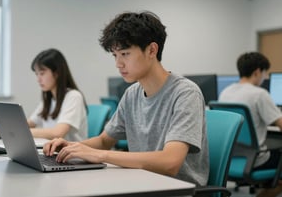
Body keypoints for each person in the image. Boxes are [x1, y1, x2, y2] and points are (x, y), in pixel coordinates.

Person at [43, 11, 209, 186]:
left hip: (177, 189)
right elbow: (104, 140)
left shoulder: (185, 93)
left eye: (125, 54)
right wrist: (71, 147)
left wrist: (100, 155)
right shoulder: (132, 94)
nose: (118, 64)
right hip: (142, 183)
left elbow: (170, 163)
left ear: (152, 50)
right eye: (115, 55)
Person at [219, 52, 282, 197]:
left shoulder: (225, 92)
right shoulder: (260, 94)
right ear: (257, 71)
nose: (265, 77)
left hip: (230, 158)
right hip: (255, 160)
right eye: (265, 73)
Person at [0, 48, 88, 141]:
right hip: (53, 152)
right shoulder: (50, 99)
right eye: (36, 74)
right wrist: (6, 126)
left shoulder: (73, 97)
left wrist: (18, 131)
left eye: (42, 73)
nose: (38, 79)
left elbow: (57, 133)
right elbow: (30, 122)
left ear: (57, 73)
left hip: (71, 156)